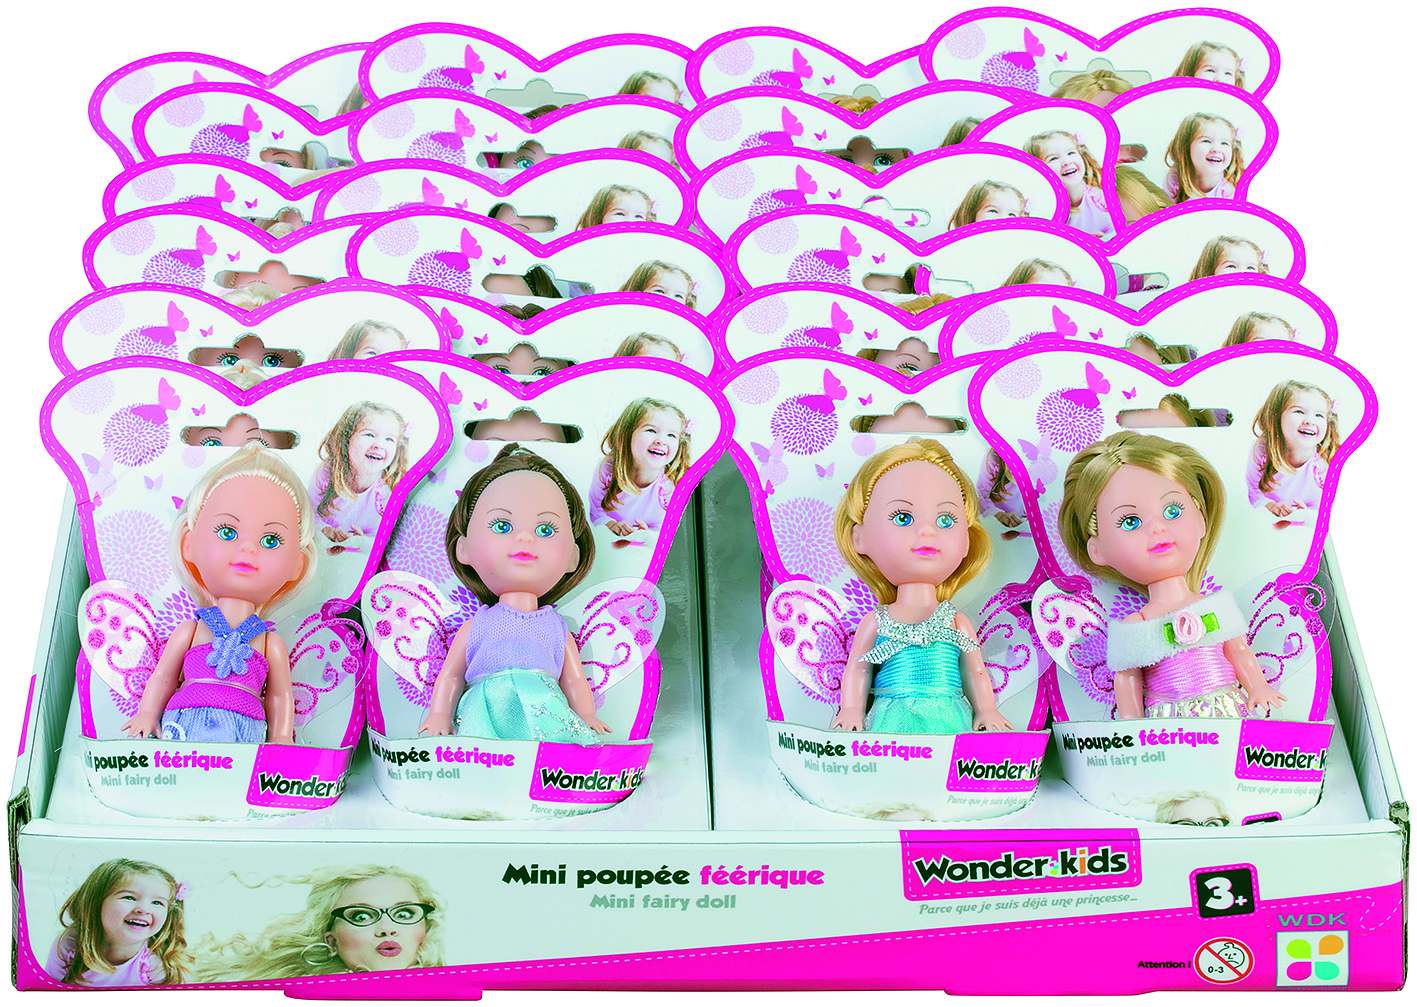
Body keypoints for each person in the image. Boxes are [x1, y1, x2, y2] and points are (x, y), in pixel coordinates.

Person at [1056, 431, 1286, 719]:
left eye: (1173, 510)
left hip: (1226, 710)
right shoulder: (1136, 626)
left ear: (1200, 520)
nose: (1157, 527)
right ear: (1098, 549)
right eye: (1130, 522)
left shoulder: (1216, 606)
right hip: (1167, 724)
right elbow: (1127, 679)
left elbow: (1238, 651)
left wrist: (1258, 687)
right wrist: (1131, 726)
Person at [121, 445, 319, 743]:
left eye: (270, 540)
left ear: (297, 565)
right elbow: (163, 677)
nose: (248, 549)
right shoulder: (190, 631)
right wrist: (147, 713)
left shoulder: (270, 644)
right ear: (189, 545)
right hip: (184, 726)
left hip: (244, 733)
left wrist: (281, 738)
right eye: (227, 532)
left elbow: (279, 696)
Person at [419, 445, 608, 741]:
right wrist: (440, 714)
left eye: (545, 530)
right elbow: (451, 674)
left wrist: (586, 715)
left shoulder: (557, 629)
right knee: (481, 757)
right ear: (463, 549)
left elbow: (574, 679)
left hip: (544, 710)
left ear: (573, 557)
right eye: (502, 525)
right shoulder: (477, 626)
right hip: (484, 713)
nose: (524, 538)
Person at [830, 438, 1011, 734]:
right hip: (891, 720)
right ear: (858, 538)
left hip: (949, 719)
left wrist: (986, 709)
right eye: (903, 518)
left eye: (945, 520)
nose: (927, 531)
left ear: (966, 541)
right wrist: (851, 709)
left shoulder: (957, 622)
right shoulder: (877, 621)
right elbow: (858, 668)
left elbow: (975, 670)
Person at [46, 859, 189, 986]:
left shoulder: (154, 966)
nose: (143, 909)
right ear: (96, 902)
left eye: (157, 902)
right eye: (129, 898)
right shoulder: (72, 944)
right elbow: (49, 989)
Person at [308, 402, 410, 553]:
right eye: (369, 435)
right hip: (320, 550)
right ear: (346, 439)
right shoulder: (327, 474)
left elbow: (385, 538)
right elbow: (306, 517)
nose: (379, 445)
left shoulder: (386, 492)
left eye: (389, 439)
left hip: (354, 559)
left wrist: (362, 542)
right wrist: (326, 531)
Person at [589, 397, 690, 537]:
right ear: (627, 433)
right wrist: (611, 524)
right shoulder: (608, 469)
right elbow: (594, 511)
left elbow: (666, 530)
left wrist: (646, 534)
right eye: (651, 431)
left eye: (671, 435)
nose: (661, 441)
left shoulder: (669, 489)